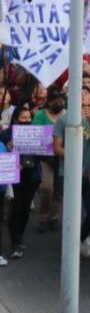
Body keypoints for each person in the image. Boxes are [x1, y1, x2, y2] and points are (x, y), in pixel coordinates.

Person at [53, 85, 90, 260]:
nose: (82, 96)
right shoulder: (64, 119)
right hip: (67, 173)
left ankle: (81, 238)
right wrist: (73, 154)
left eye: (86, 94)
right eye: (79, 93)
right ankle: (70, 245)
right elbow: (57, 149)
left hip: (89, 174)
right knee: (71, 213)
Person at [0, 105, 41, 261]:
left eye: (29, 118)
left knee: (24, 210)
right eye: (23, 118)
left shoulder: (36, 133)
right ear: (15, 119)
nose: (27, 121)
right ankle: (15, 242)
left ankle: (20, 235)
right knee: (16, 209)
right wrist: (9, 149)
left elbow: (42, 155)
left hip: (32, 177)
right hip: (13, 177)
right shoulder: (5, 134)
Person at [33, 86, 64, 233]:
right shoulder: (40, 115)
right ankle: (44, 217)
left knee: (58, 190)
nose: (59, 103)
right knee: (46, 188)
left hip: (61, 157)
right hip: (45, 158)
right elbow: (35, 133)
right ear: (49, 101)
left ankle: (55, 217)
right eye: (55, 101)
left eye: (61, 100)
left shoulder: (67, 114)